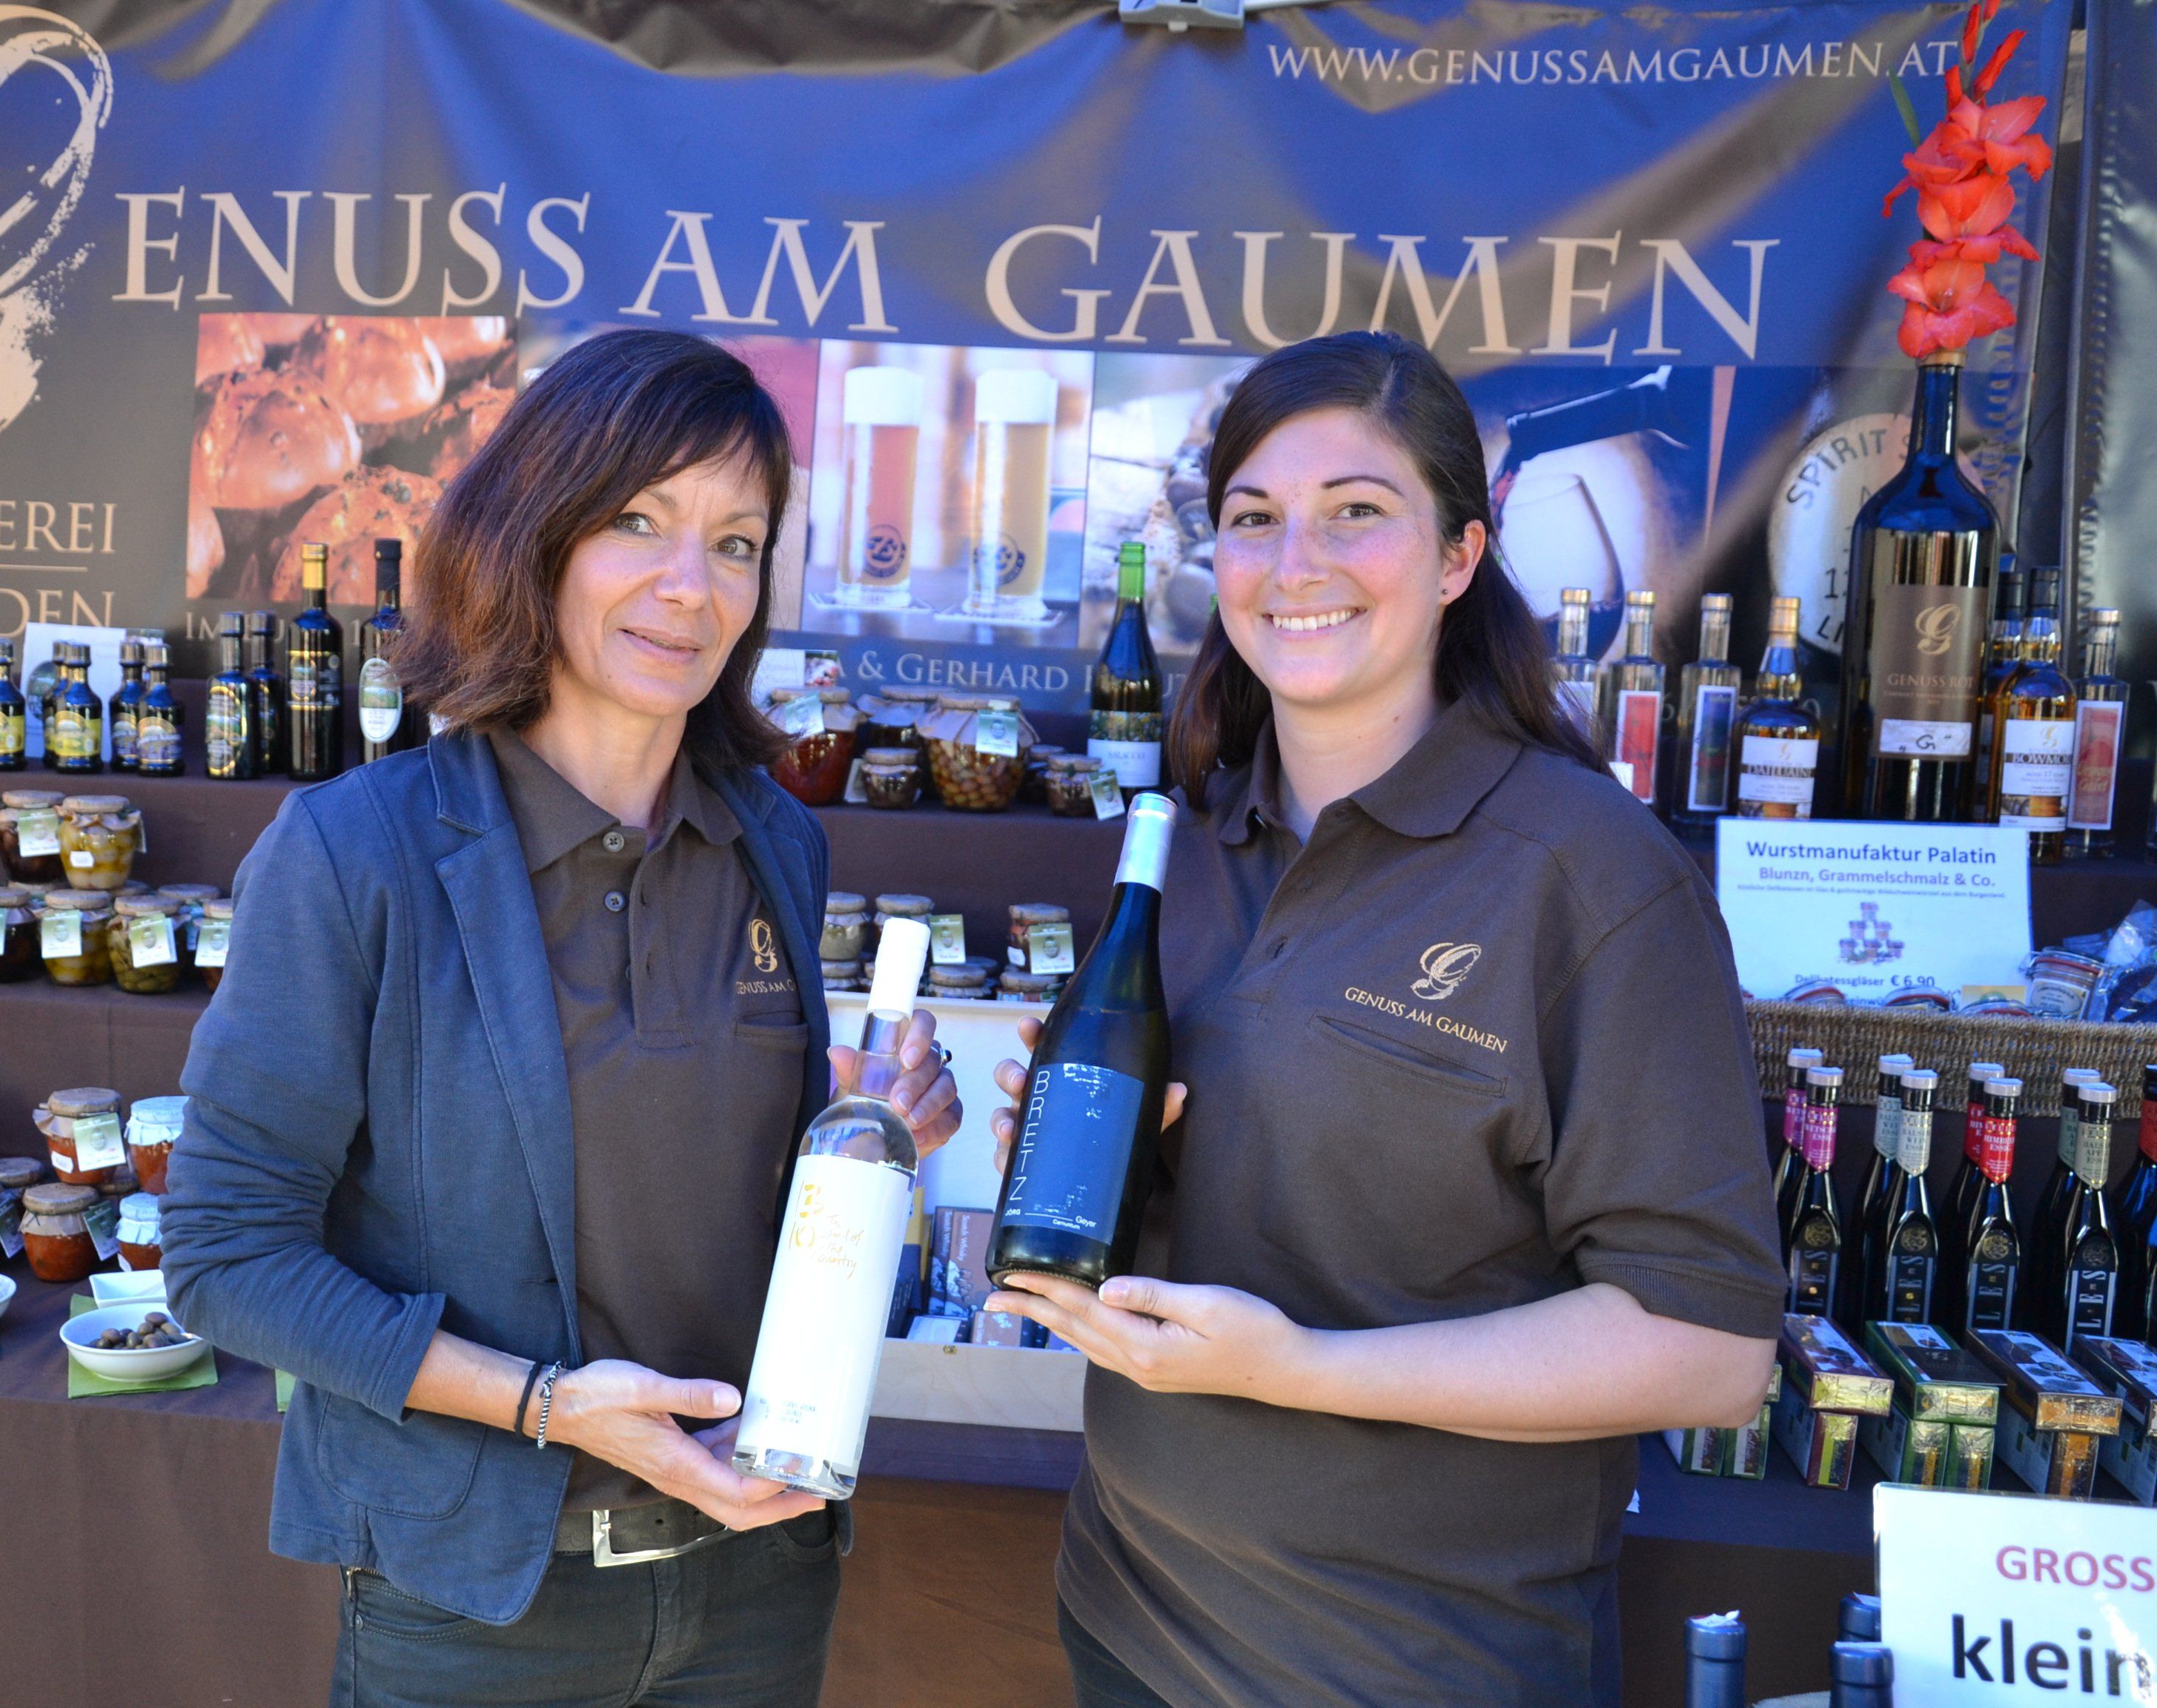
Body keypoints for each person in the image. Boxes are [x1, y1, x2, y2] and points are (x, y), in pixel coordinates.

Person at [164, 328, 962, 1708]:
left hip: (754, 1585)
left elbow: (721, 1207)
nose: (689, 584)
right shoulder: (358, 854)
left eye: (735, 542)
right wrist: (543, 1405)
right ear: (535, 538)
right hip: (479, 1607)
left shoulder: (775, 842)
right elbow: (226, 1255)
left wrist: (869, 1148)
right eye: (636, 522)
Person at [984, 332, 1784, 1708]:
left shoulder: (1590, 878)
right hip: (1130, 1620)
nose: (1296, 563)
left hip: (1414, 1666)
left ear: (1461, 556)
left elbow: (1707, 1353)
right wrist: (1091, 1167)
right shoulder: (1183, 848)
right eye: (1254, 519)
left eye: (1356, 511)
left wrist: (1301, 1370)